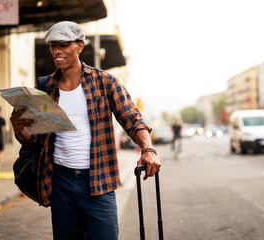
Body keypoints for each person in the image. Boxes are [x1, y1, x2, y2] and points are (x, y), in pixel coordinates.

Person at [10, 21, 161, 240]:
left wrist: (148, 149)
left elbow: (133, 119)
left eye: (63, 44)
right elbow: (35, 142)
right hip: (60, 181)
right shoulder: (45, 87)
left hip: (98, 181)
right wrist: (19, 130)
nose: (57, 51)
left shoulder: (105, 82)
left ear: (80, 46)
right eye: (53, 45)